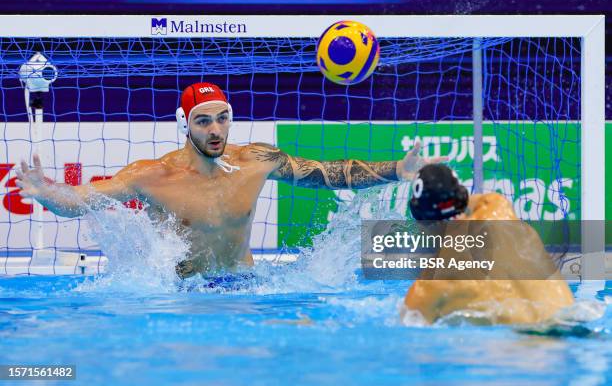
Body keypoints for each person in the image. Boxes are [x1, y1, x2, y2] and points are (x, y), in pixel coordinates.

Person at [15, 82, 443, 278]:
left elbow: (327, 174)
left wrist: (397, 170)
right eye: (204, 122)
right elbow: (81, 201)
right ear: (185, 124)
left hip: (246, 286)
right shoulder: (153, 175)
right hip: (184, 294)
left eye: (222, 119)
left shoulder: (255, 159)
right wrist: (46, 193)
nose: (216, 130)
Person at [402, 164, 574, 325]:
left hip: (526, 350)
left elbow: (407, 331)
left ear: (422, 221)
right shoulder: (498, 208)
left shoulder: (429, 284)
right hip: (572, 324)